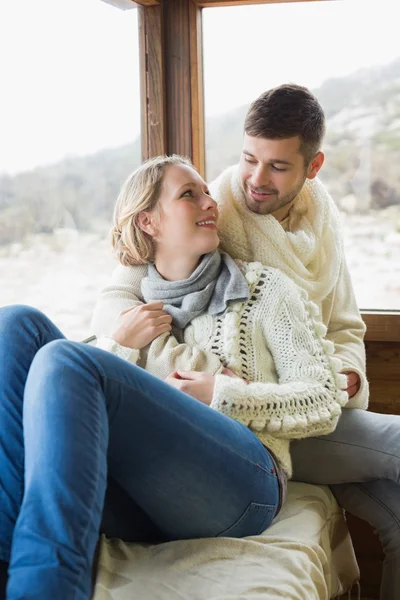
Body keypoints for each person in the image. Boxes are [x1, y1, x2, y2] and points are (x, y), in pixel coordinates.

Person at [91, 84, 400, 600]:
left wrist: (347, 374)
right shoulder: (212, 211)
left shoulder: (322, 224)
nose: (256, 179)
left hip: (308, 395)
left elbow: (344, 325)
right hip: (254, 420)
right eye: (249, 159)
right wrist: (128, 338)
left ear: (313, 166)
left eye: (278, 166)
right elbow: (130, 285)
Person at [0, 154, 347, 600]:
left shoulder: (264, 290)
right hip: (138, 495)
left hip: (244, 483)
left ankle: (45, 589)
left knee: (66, 359)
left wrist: (222, 393)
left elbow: (322, 399)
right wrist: (120, 343)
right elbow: (75, 406)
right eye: (189, 194)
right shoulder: (127, 304)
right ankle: (7, 560)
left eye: (207, 192)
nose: (210, 202)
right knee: (15, 324)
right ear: (149, 222)